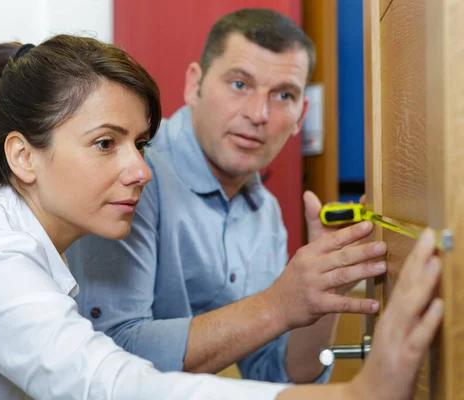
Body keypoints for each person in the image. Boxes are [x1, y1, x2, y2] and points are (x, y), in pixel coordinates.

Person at [0, 33, 443, 400]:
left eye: (139, 143)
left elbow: (277, 369)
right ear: (23, 155)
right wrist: (355, 395)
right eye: (104, 143)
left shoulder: (265, 212)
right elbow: (109, 380)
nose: (140, 169)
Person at [65, 8, 383, 383]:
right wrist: (277, 305)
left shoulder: (267, 214)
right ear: (193, 84)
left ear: (301, 115)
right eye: (239, 84)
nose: (258, 113)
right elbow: (112, 355)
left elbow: (276, 374)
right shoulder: (134, 173)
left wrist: (327, 287)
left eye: (284, 94)